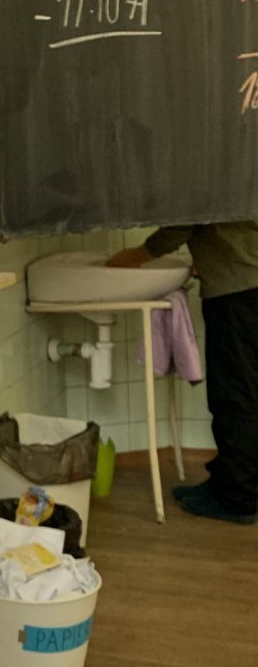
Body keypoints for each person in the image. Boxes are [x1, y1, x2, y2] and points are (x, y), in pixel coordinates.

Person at [108, 223, 258, 525]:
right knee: (244, 392)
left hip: (237, 290)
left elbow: (182, 224)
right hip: (246, 283)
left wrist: (132, 257)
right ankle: (226, 483)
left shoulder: (207, 186)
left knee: (235, 396)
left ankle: (236, 499)